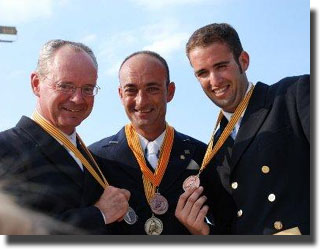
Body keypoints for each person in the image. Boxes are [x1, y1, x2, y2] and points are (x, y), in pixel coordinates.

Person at [176, 23, 310, 235]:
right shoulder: (213, 151)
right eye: (203, 73)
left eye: (221, 66)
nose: (214, 80)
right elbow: (231, 228)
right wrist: (204, 233)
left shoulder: (293, 95)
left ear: (243, 61)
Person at [89, 51, 234, 235]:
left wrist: (204, 233)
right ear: (120, 94)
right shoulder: (96, 158)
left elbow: (231, 229)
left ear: (170, 91)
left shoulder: (203, 155)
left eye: (152, 89)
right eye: (131, 90)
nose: (141, 101)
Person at [0, 39, 130, 234]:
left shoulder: (92, 157)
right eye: (65, 86)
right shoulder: (6, 148)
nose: (77, 98)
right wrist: (99, 215)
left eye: (87, 89)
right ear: (36, 84)